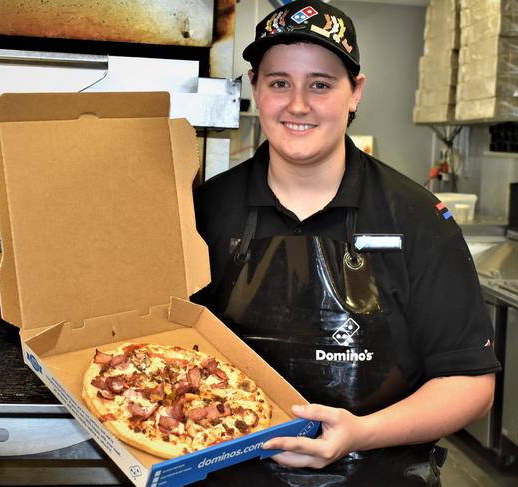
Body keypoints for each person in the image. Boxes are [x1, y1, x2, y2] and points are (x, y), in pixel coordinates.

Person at [191, 1, 500, 485]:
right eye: (278, 83)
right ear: (254, 87)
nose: (297, 104)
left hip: (377, 473)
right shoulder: (203, 211)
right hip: (226, 472)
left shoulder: (417, 218)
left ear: (355, 92)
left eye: (320, 84)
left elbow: (470, 382)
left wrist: (359, 433)